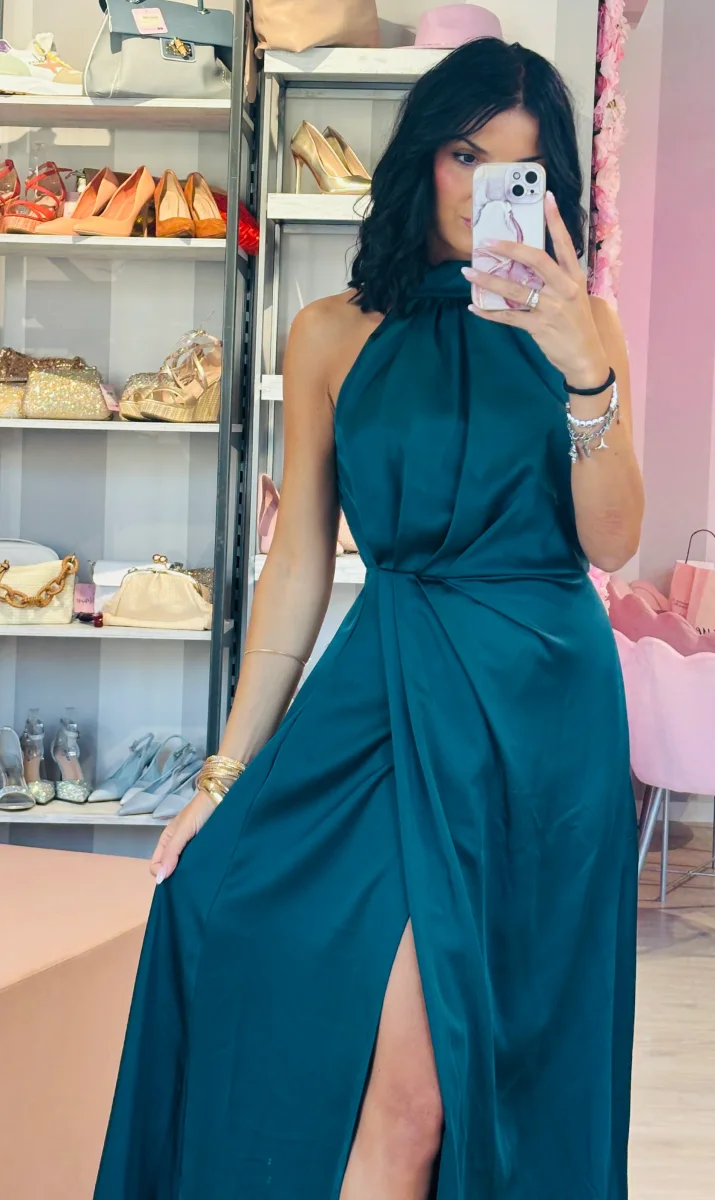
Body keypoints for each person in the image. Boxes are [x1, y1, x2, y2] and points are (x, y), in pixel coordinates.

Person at [94, 37, 644, 1200]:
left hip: (542, 718)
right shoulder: (330, 332)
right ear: (421, 157)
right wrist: (221, 776)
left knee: (463, 1078)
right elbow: (297, 564)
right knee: (363, 1050)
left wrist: (583, 374)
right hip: (386, 694)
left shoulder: (585, 331)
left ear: (549, 189)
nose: (482, 188)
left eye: (516, 169)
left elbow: (610, 542)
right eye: (462, 155)